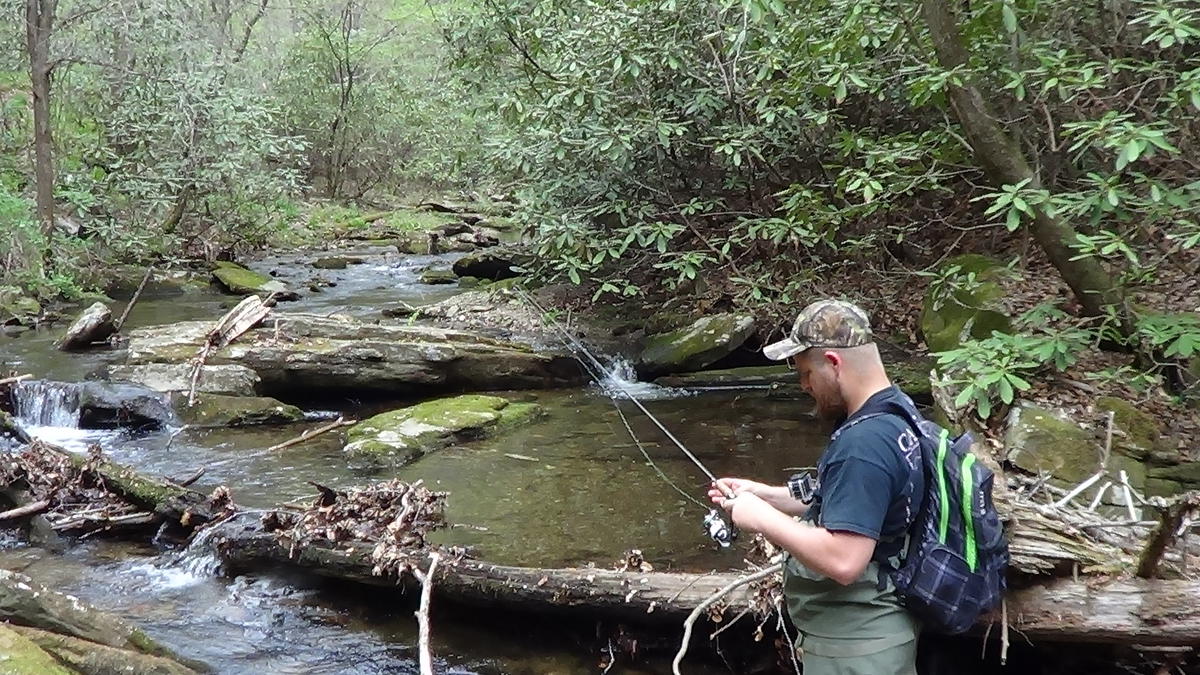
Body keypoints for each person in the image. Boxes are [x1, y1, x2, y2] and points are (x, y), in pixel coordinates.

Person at [708, 299, 924, 675]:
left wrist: (763, 519)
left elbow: (845, 560)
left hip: (858, 651)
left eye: (806, 372)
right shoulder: (895, 412)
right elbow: (850, 500)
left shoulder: (864, 444)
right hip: (874, 637)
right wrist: (763, 494)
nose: (804, 385)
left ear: (834, 364)